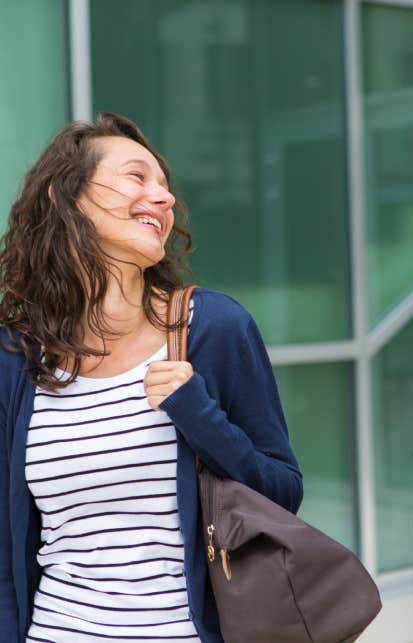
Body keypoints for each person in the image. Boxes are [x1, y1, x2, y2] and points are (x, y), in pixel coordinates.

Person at [0, 112, 303, 642]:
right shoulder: (15, 355)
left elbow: (283, 493)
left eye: (165, 187)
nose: (163, 199)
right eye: (137, 178)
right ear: (63, 197)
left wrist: (198, 415)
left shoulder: (213, 328)